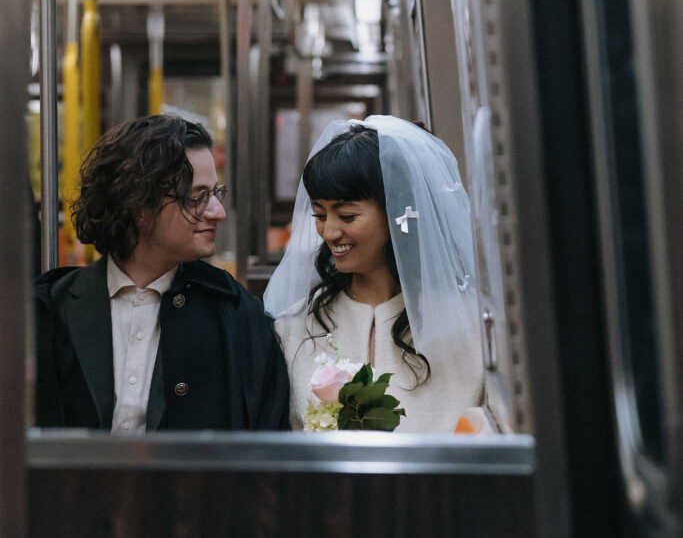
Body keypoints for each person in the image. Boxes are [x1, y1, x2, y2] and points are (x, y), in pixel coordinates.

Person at [35, 115, 290, 432]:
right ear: (138, 205)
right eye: (197, 197)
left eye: (216, 193)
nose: (218, 212)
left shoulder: (237, 316)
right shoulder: (47, 310)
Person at [264, 115, 487, 433]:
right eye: (319, 214)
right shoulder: (295, 328)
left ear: (396, 212)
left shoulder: (467, 329)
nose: (329, 231)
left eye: (347, 215)